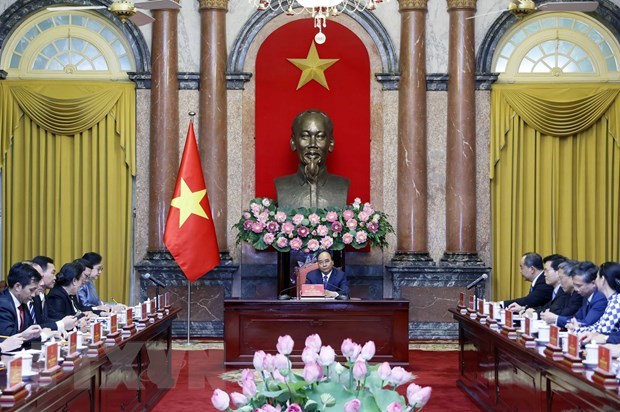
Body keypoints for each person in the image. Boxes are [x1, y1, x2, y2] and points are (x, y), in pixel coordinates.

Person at [275, 110, 350, 209]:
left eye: (320, 136)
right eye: (305, 136)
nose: (313, 144)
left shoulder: (342, 185)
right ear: (293, 142)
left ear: (331, 143)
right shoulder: (281, 186)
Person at [0, 262, 45, 344]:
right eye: (31, 290)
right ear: (17, 287)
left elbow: (30, 334)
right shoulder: (3, 305)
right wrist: (43, 336)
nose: (34, 295)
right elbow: (9, 338)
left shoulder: (23, 302)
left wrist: (42, 350)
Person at [31, 255, 78, 332]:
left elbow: (49, 317)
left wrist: (73, 321)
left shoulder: (42, 295)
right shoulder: (33, 297)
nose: (55, 278)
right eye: (53, 273)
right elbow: (37, 324)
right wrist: (63, 324)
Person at [578, 262, 620, 342]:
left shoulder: (617, 302)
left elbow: (603, 332)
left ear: (603, 279)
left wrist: (578, 330)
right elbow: (598, 326)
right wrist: (578, 328)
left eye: (597, 277)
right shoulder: (612, 300)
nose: (595, 280)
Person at [561, 261, 607, 330]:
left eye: (579, 286)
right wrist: (571, 322)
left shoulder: (600, 297)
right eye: (574, 285)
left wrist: (556, 319)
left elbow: (587, 323)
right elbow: (576, 317)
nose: (575, 289)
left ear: (593, 283)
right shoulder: (586, 296)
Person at [540, 260, 583, 325]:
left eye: (561, 278)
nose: (559, 282)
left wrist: (553, 316)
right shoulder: (567, 292)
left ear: (571, 277)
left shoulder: (579, 294)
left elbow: (565, 314)